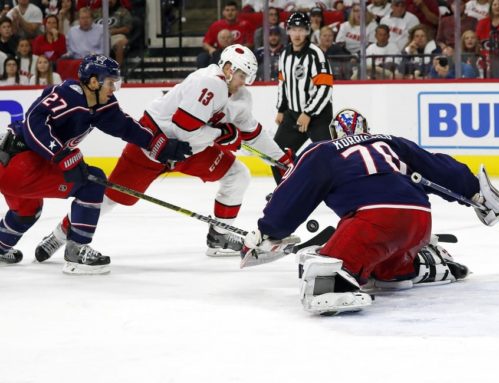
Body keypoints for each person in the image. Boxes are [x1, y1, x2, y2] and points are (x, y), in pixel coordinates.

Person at [242, 109, 499, 315]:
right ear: (366, 130)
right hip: (419, 221)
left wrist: (268, 231)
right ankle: (410, 266)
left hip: (374, 221)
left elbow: (293, 195)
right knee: (381, 266)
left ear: (334, 134)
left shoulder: (322, 151)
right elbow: (440, 168)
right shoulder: (390, 142)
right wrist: (476, 194)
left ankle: (339, 280)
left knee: (319, 269)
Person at [35, 44, 292, 260]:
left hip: (189, 149)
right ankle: (58, 235)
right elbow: (184, 130)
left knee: (238, 174)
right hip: (154, 143)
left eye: (247, 78)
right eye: (241, 76)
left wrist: (283, 161)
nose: (244, 83)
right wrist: (223, 136)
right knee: (111, 197)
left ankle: (219, 236)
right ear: (227, 69)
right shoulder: (209, 82)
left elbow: (254, 133)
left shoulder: (240, 97)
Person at [0, 54, 192, 272]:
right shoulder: (67, 95)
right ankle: (76, 251)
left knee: (26, 211)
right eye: (110, 82)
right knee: (93, 183)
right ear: (93, 81)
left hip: (13, 165)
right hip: (19, 165)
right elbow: (34, 123)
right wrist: (62, 156)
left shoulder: (102, 105)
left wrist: (161, 146)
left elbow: (127, 127)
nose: (114, 88)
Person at [273, 12, 333, 184]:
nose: (297, 34)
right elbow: (283, 84)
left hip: (319, 116)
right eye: (293, 29)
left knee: (328, 157)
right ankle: (286, 191)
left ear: (307, 31)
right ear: (288, 31)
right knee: (277, 154)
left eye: (301, 30)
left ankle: (336, 192)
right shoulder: (284, 54)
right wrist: (281, 109)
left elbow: (325, 88)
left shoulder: (316, 55)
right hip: (293, 114)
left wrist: (308, 113)